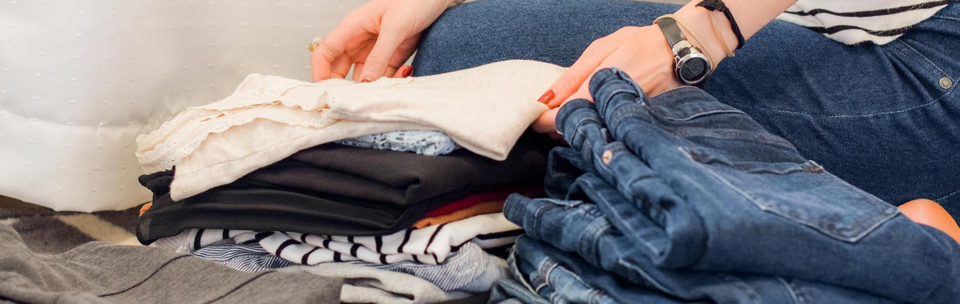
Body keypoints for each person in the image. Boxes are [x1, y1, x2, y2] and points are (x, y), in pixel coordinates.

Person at [308, 0, 960, 241]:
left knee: (466, 47)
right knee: (459, 37)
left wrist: (703, 30)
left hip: (930, 61)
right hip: (833, 25)